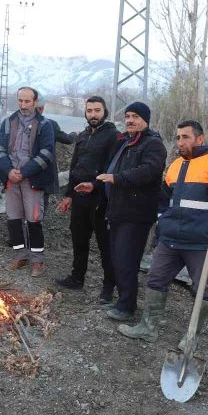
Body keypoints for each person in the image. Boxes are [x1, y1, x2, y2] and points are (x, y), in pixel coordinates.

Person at [117, 120, 208, 348]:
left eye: (185, 137)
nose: (180, 142)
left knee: (201, 289)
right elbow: (163, 201)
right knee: (155, 280)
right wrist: (162, 224)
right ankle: (148, 328)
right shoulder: (175, 165)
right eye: (178, 137)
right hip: (170, 240)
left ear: (200, 139)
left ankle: (192, 338)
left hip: (200, 242)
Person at [78, 101, 166, 320]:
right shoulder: (126, 142)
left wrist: (117, 179)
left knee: (127, 260)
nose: (130, 120)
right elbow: (110, 172)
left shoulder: (153, 144)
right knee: (118, 258)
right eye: (127, 116)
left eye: (135, 116)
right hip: (118, 210)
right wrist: (95, 185)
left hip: (136, 213)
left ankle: (126, 307)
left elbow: (148, 171)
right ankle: (123, 301)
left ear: (145, 120)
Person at [55, 96, 119, 300]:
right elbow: (74, 166)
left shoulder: (113, 136)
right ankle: (77, 278)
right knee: (79, 239)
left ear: (105, 112)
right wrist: (69, 195)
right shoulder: (82, 135)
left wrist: (95, 185)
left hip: (101, 199)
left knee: (104, 245)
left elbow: (112, 168)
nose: (93, 115)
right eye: (89, 111)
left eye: (97, 110)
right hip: (80, 196)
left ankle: (108, 287)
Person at [0, 86, 55, 277]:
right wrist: (9, 170)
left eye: (27, 101)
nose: (23, 105)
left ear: (35, 102)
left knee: (34, 219)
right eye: (20, 100)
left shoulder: (45, 125)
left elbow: (46, 153)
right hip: (11, 178)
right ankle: (20, 255)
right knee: (13, 218)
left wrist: (24, 172)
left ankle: (37, 261)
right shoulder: (8, 122)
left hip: (32, 180)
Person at [35, 91, 76, 202]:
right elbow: (67, 139)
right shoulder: (50, 124)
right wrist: (75, 134)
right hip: (44, 174)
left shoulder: (17, 124)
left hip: (24, 175)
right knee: (40, 207)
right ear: (42, 108)